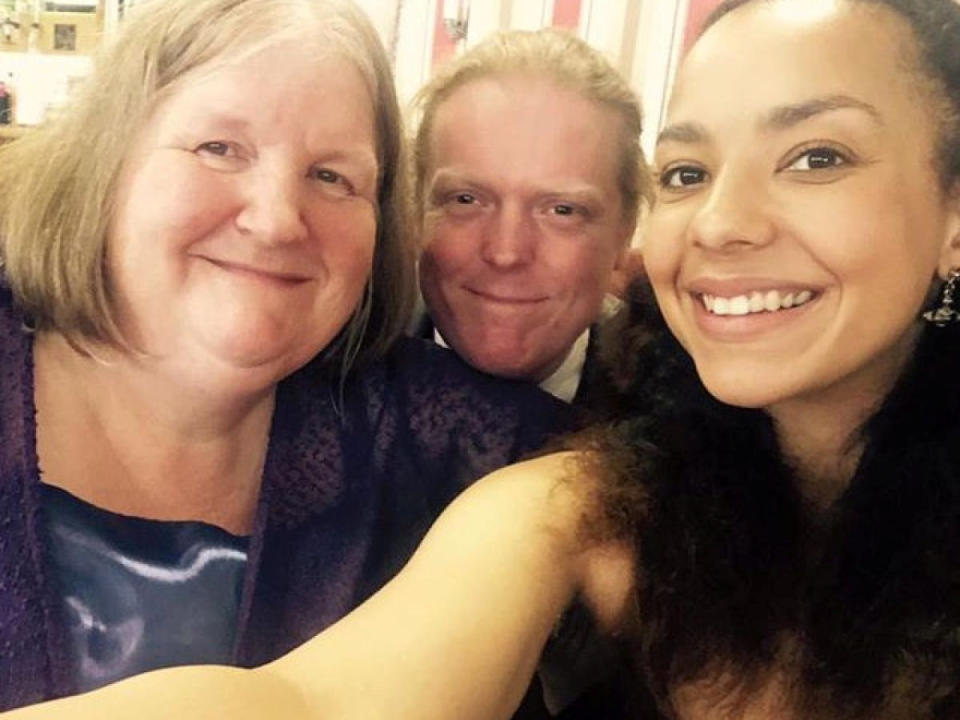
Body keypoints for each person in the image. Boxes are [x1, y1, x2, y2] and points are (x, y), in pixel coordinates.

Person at [8, 0, 960, 718]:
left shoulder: (571, 421)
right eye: (690, 173)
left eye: (819, 156)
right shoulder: (590, 482)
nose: (723, 221)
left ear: (625, 240)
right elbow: (315, 702)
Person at [0, 0, 570, 712]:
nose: (275, 220)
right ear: (107, 167)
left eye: (333, 176)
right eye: (219, 148)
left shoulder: (438, 432)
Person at [409, 29, 652, 406]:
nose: (506, 253)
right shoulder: (334, 377)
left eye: (562, 211)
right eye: (467, 199)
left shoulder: (681, 419)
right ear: (414, 212)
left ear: (625, 232)